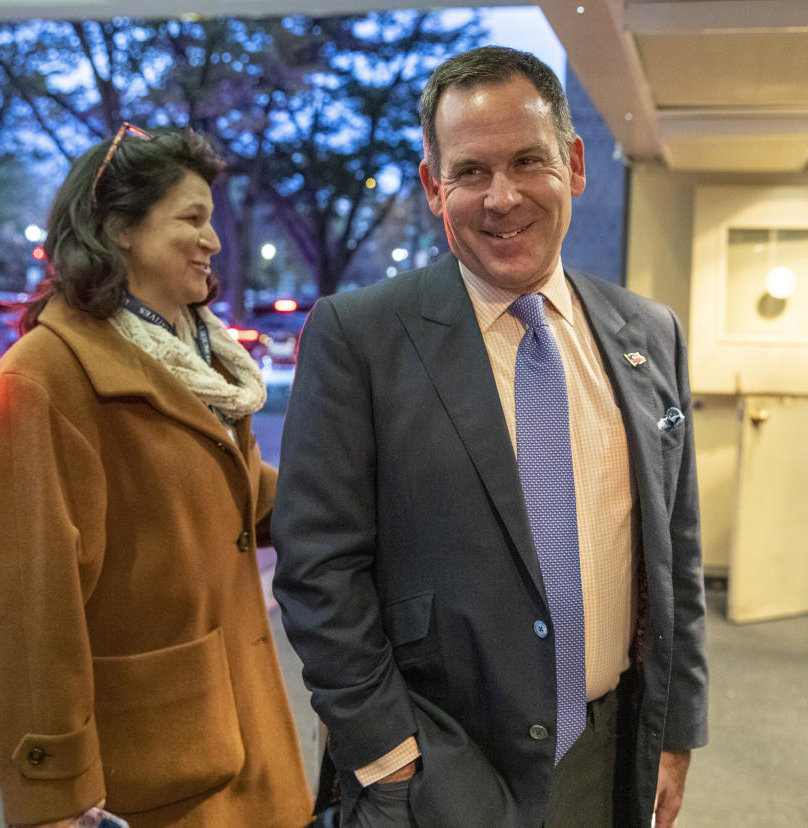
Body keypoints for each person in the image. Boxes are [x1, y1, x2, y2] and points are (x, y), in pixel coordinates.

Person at [272, 46, 708, 828]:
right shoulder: (359, 337)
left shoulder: (650, 332)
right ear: (433, 187)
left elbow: (676, 549)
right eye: (471, 171)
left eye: (527, 161)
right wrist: (389, 759)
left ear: (573, 164)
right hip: (439, 765)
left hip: (611, 756)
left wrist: (675, 732)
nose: (501, 197)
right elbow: (318, 570)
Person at [0, 125, 312, 827]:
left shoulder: (196, 361)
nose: (213, 241)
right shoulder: (45, 377)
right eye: (192, 218)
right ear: (118, 228)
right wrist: (53, 795)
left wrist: (371, 489)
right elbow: (27, 605)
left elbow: (233, 494)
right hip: (152, 776)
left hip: (244, 741)